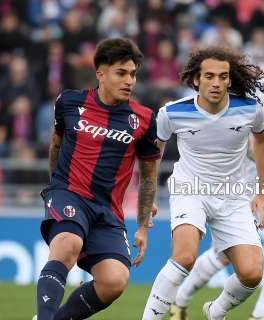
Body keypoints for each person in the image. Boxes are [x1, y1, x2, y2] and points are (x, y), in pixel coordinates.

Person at [170, 37, 264, 320]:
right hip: (240, 177)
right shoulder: (260, 93)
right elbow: (240, 134)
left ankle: (260, 314)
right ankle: (181, 298)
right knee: (223, 255)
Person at [33, 38, 161, 320]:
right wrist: (56, 187)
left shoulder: (143, 119)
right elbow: (56, 145)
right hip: (68, 192)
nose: (129, 80)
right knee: (68, 243)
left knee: (114, 281)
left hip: (107, 211)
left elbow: (149, 176)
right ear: (100, 73)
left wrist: (142, 225)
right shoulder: (69, 102)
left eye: (133, 74)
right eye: (121, 73)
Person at [141, 47, 264, 320]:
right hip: (190, 189)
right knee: (185, 257)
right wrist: (148, 195)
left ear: (229, 80)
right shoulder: (172, 113)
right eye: (209, 76)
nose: (216, 82)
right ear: (196, 79)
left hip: (233, 195)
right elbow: (154, 153)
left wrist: (263, 193)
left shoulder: (250, 109)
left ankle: (216, 311)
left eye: (222, 77)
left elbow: (261, 140)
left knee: (252, 274)